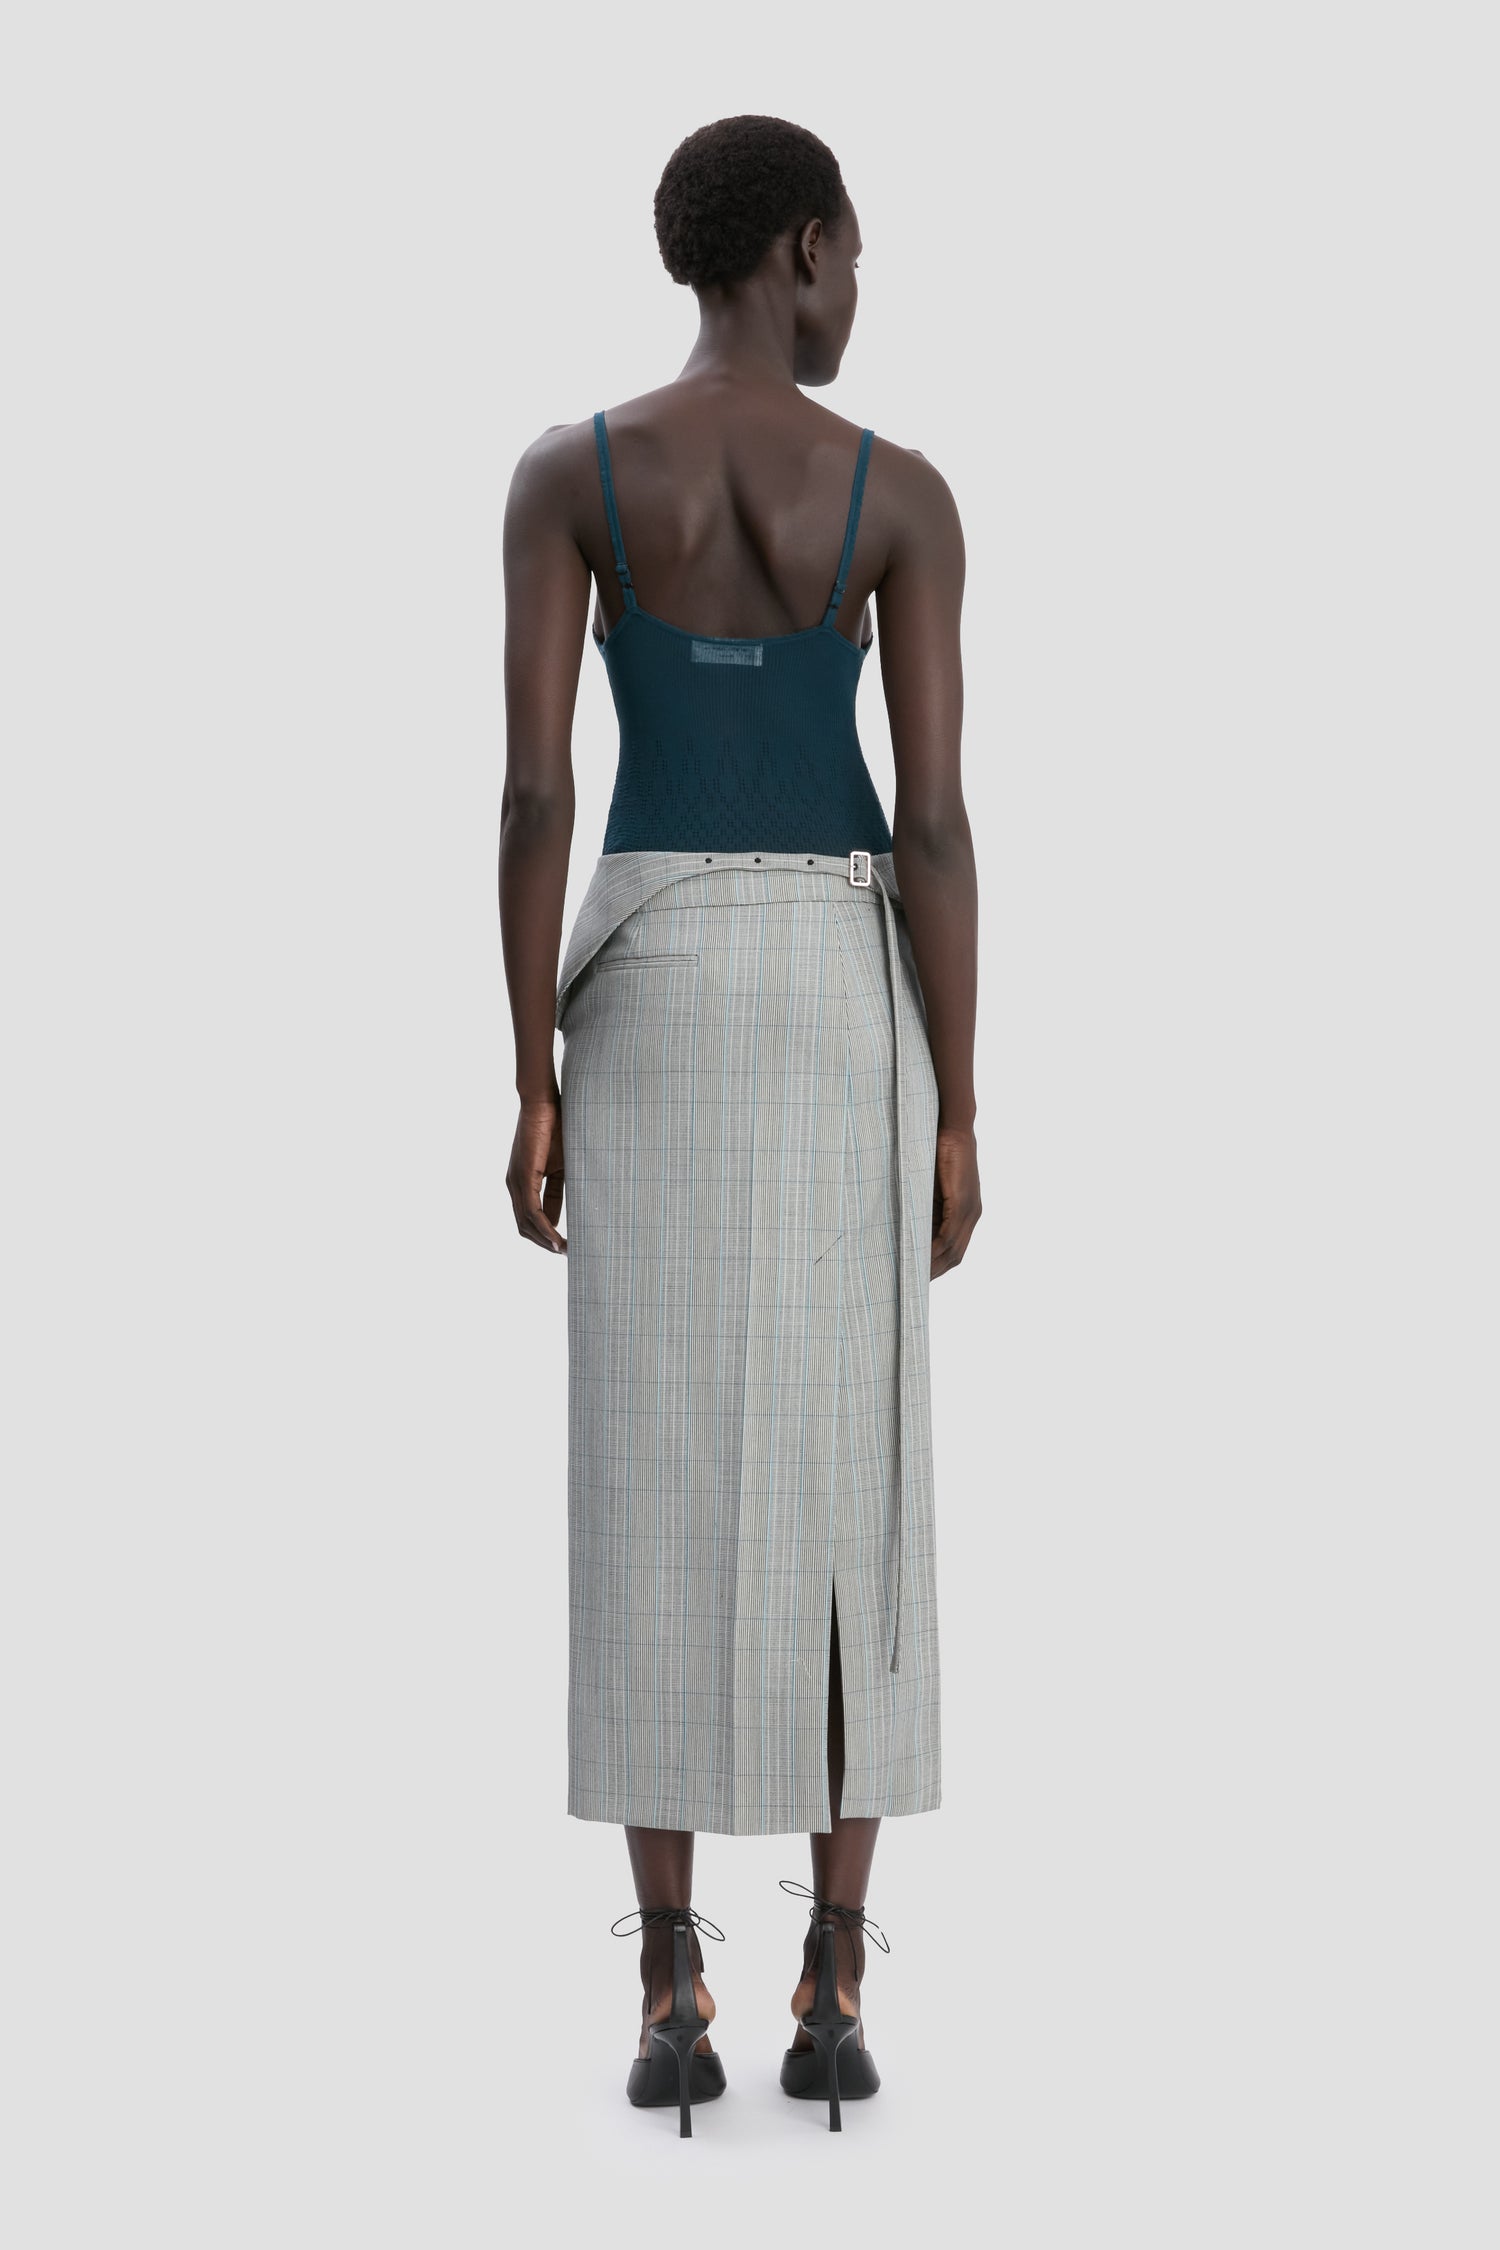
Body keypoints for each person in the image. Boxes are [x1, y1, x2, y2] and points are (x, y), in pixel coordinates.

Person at [499, 113, 980, 2135]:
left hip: (654, 974)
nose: (856, 290)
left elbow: (537, 793)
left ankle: (669, 1984)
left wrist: (530, 1068)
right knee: (853, 1458)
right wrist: (963, 1099)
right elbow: (933, 819)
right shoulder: (898, 495)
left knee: (654, 1459)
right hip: (844, 982)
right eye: (850, 255)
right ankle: (835, 1976)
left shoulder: (572, 476)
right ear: (798, 248)